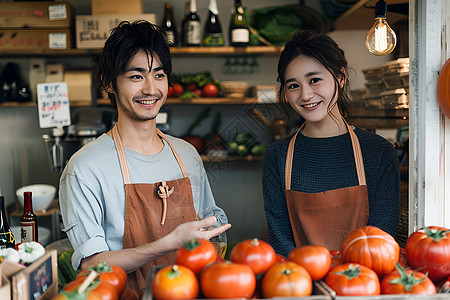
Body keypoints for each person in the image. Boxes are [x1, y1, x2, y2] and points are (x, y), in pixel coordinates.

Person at [59, 20, 231, 296]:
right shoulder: (85, 168)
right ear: (108, 83)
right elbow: (93, 264)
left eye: (159, 75)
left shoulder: (186, 154)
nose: (151, 89)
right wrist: (168, 243)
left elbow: (209, 225)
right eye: (136, 76)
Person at [262, 30, 400, 258]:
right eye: (293, 86)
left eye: (314, 80)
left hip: (362, 283)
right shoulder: (278, 156)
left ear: (341, 77)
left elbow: (382, 237)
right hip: (300, 282)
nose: (305, 95)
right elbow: (279, 239)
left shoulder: (377, 152)